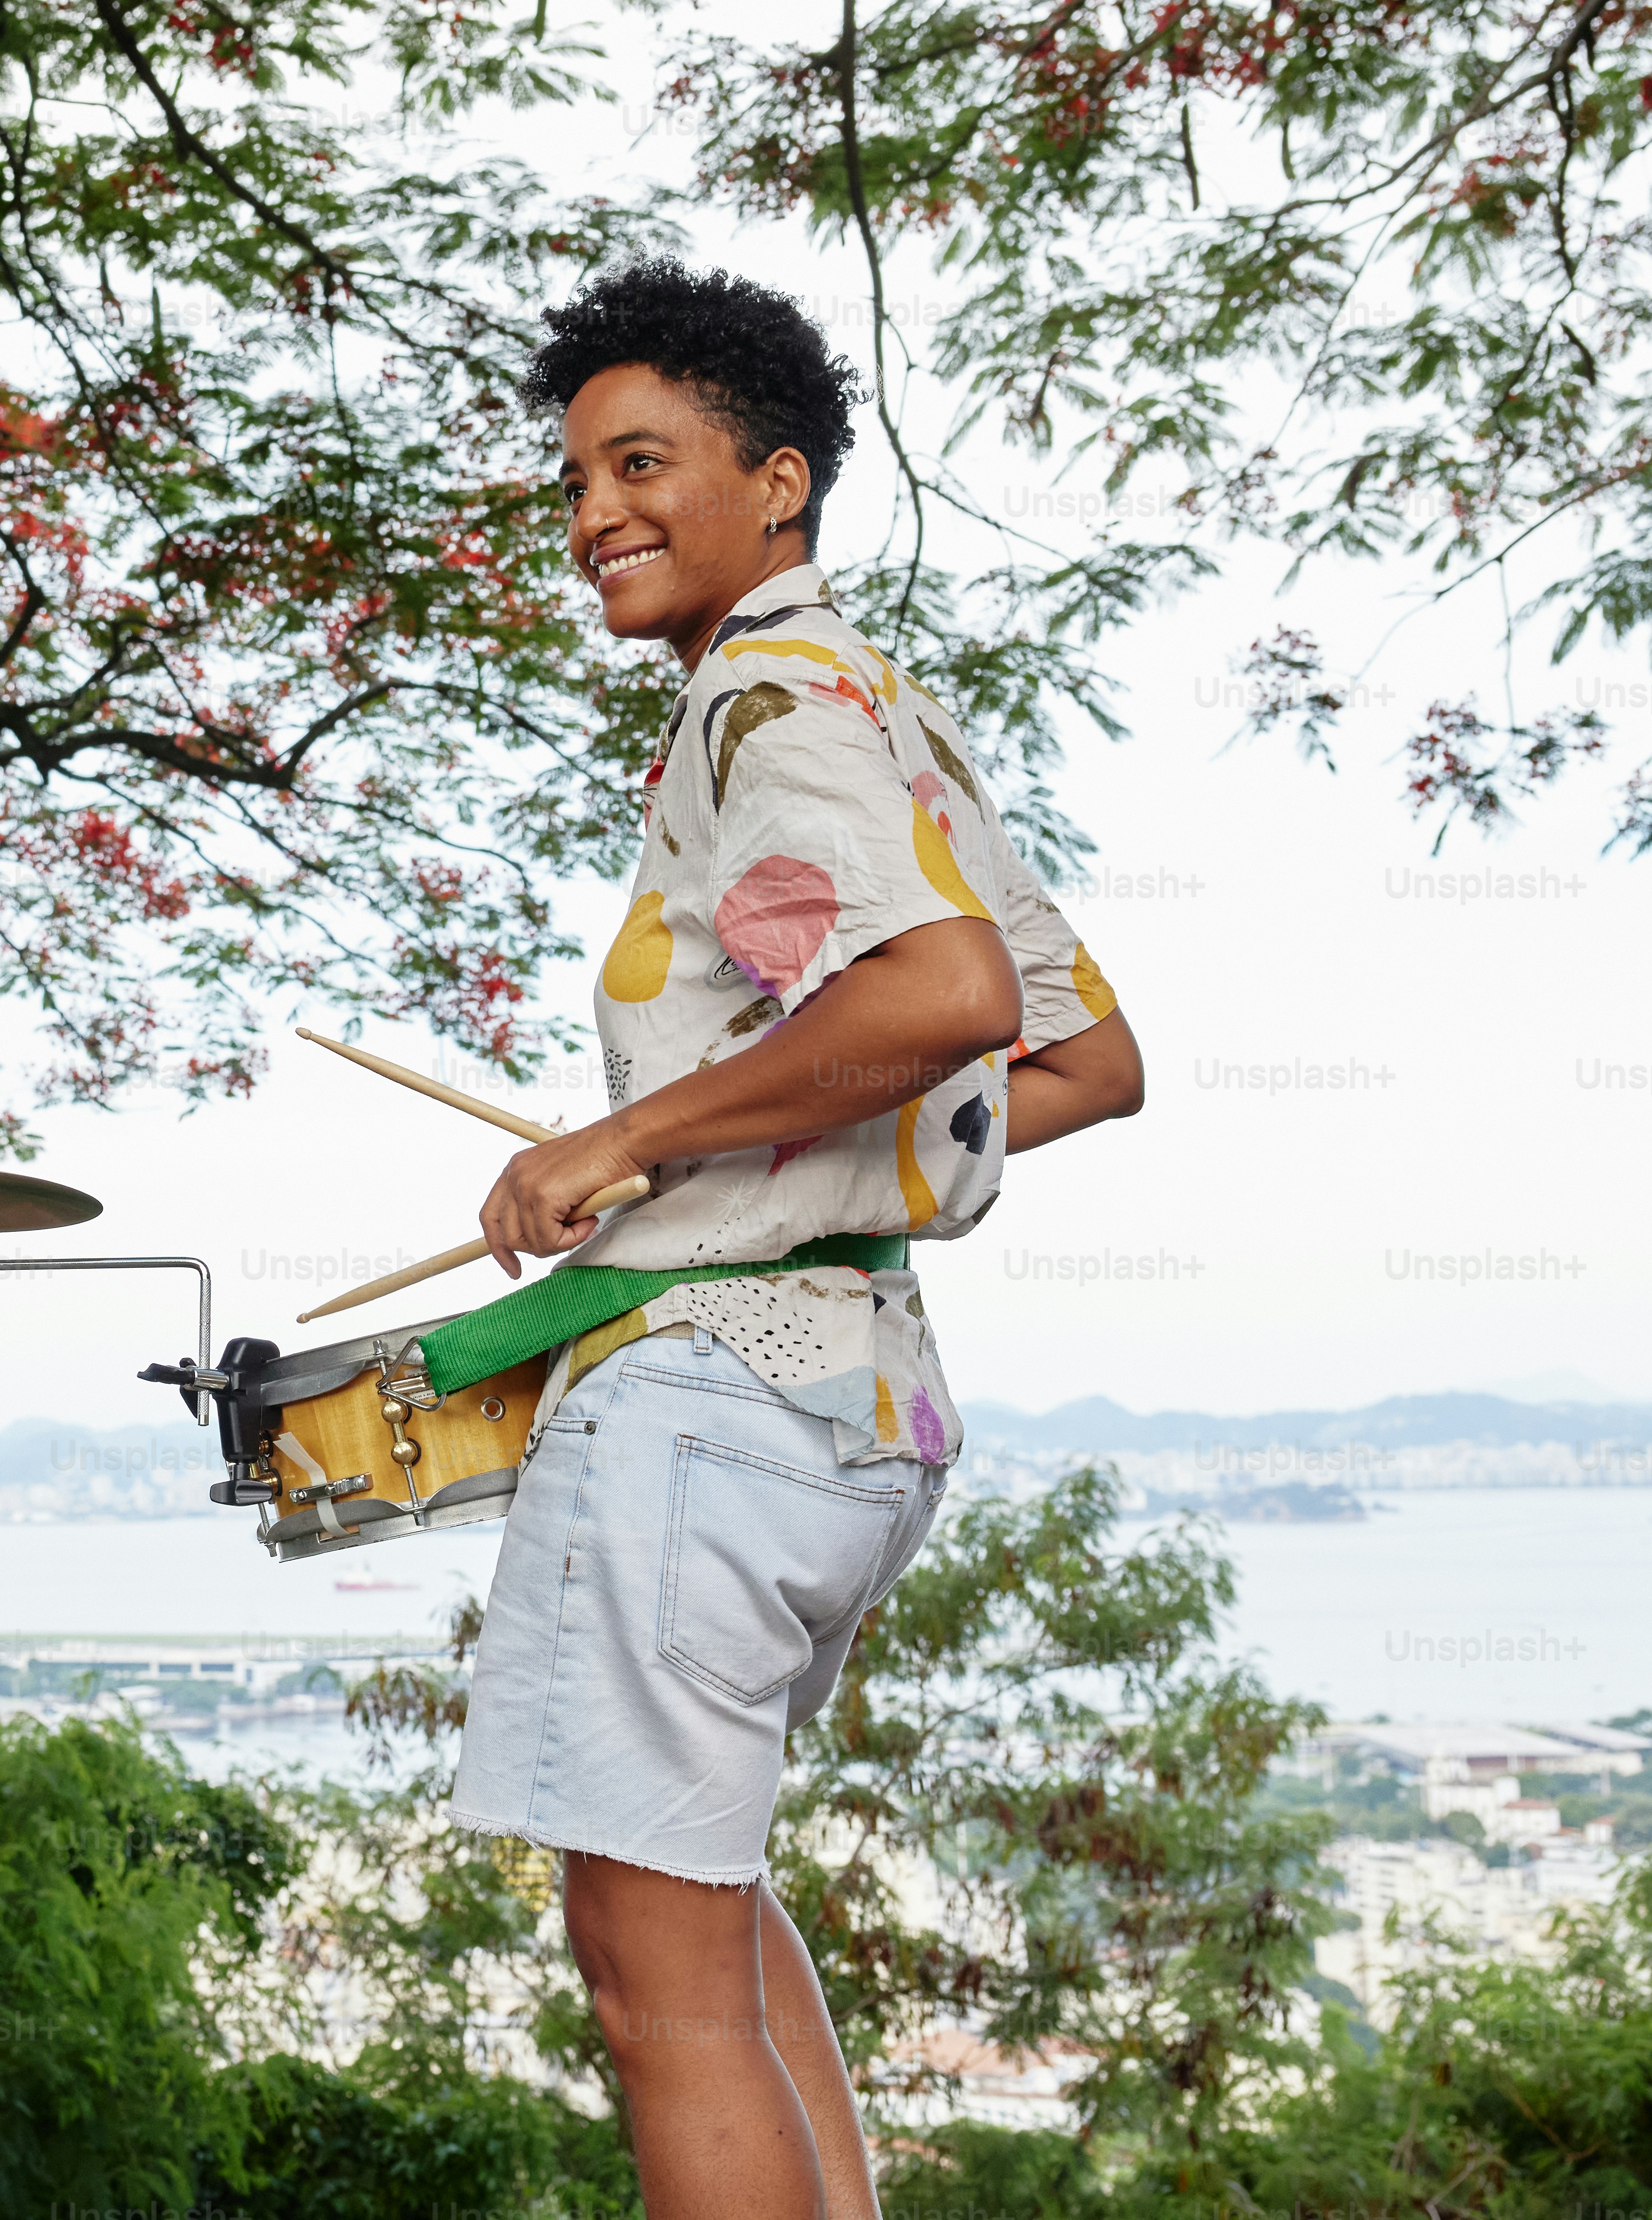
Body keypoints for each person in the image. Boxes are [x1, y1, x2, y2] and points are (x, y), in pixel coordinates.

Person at [436, 260, 1145, 2220]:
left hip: (706, 1409)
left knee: (653, 1989)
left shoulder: (764, 694)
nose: (593, 516)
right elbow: (1079, 1056)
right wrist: (787, 1161)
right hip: (854, 1414)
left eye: (642, 462)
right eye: (574, 480)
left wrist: (638, 1137)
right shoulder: (882, 707)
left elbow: (935, 997)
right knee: (720, 1927)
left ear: (782, 483)